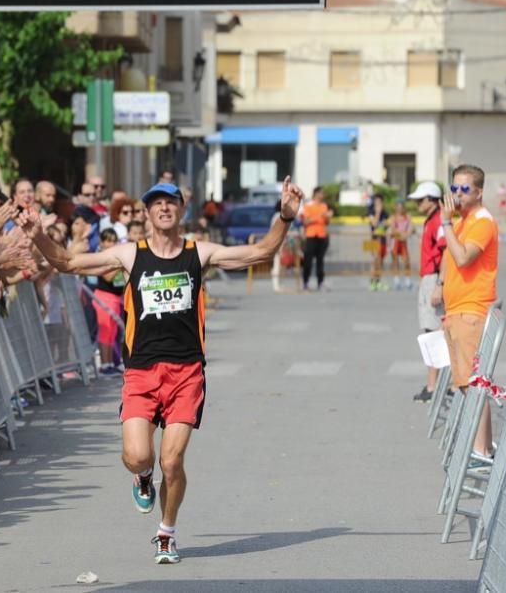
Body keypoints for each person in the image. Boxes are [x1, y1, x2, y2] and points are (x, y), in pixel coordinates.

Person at [18, 177, 305, 565]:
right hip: (141, 372)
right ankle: (141, 477)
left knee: (172, 461)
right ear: (148, 211)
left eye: (171, 202)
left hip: (186, 372)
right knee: (139, 456)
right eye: (156, 203)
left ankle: (166, 532)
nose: (164, 208)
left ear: (181, 209)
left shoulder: (199, 253)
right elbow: (68, 262)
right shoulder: (130, 255)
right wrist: (37, 236)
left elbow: (261, 252)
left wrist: (285, 216)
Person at [440, 164, 498, 464]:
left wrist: (446, 224)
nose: (458, 194)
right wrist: (440, 285)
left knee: (474, 383)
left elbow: (463, 258)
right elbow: (448, 256)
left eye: (464, 189)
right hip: (456, 309)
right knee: (466, 382)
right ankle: (485, 447)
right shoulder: (462, 221)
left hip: (472, 309)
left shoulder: (481, 221)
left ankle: (482, 450)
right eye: (454, 188)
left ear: (479, 192)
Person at [407, 182, 446, 402]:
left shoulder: (438, 220)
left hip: (434, 277)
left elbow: (445, 251)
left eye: (421, 200)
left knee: (433, 331)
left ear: (432, 199)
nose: (417, 204)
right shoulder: (432, 220)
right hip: (429, 278)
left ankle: (434, 386)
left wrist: (440, 285)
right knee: (430, 330)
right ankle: (434, 384)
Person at [92, 228, 127, 375]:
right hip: (103, 297)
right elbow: (108, 277)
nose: (110, 243)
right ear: (101, 242)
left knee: (112, 333)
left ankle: (111, 363)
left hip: (116, 298)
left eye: (113, 240)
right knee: (105, 332)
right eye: (107, 240)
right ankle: (104, 365)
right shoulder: (101, 257)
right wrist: (121, 265)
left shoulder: (116, 258)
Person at [299, 186, 332, 291]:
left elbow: (326, 222)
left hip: (321, 235)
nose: (323, 195)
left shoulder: (324, 206)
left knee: (320, 261)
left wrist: (327, 217)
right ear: (316, 194)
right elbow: (305, 221)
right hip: (311, 235)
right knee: (308, 261)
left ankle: (320, 282)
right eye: (321, 193)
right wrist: (319, 216)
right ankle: (305, 282)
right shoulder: (308, 205)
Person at [390, 200, 413, 290]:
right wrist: (401, 234)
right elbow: (393, 229)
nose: (399, 209)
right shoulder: (394, 217)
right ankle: (396, 280)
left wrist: (407, 234)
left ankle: (407, 280)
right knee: (395, 262)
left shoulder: (407, 217)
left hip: (403, 242)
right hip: (395, 242)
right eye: (398, 207)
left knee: (406, 261)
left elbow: (411, 227)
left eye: (401, 207)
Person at [368, 194, 389, 292]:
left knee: (381, 261)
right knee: (374, 260)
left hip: (383, 239)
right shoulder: (371, 212)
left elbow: (385, 225)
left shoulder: (385, 213)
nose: (379, 205)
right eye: (376, 203)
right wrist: (377, 213)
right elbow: (374, 224)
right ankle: (372, 282)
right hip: (373, 240)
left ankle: (378, 281)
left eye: (380, 203)